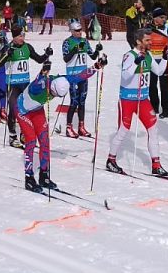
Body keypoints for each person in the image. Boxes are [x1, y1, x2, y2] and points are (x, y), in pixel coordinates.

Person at [18, 57, 105, 191]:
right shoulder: (41, 85)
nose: (54, 96)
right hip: (23, 111)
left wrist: (96, 66)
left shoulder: (63, 81)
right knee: (30, 140)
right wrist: (42, 72)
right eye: (53, 94)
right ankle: (29, 178)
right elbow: (36, 83)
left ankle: (44, 175)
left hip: (37, 110)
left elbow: (80, 76)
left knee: (45, 141)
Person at [105, 28, 168, 178]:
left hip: (143, 100)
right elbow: (125, 76)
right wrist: (136, 62)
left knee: (153, 129)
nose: (150, 42)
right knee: (123, 130)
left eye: (150, 40)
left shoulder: (148, 55)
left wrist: (165, 57)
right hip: (128, 99)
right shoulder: (129, 55)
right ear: (138, 41)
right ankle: (111, 160)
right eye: (147, 40)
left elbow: (159, 71)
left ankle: (156, 165)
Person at [0, 24, 51, 149]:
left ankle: (23, 134)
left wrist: (47, 54)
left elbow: (39, 59)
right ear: (14, 37)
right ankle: (12, 136)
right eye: (20, 36)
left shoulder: (27, 47)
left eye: (23, 35)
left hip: (25, 84)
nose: (22, 38)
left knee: (26, 110)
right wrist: (6, 55)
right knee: (14, 111)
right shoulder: (8, 47)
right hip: (13, 85)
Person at [61, 19, 102, 137]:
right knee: (74, 101)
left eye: (80, 30)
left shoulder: (85, 41)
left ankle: (81, 127)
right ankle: (69, 127)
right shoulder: (67, 42)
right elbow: (66, 58)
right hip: (73, 76)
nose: (80, 33)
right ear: (72, 31)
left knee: (82, 102)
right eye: (77, 31)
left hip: (84, 75)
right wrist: (75, 49)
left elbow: (93, 56)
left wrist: (97, 50)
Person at [145, 7, 168, 119]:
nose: (164, 19)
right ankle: (154, 107)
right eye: (161, 17)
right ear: (155, 18)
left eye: (165, 17)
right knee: (152, 85)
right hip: (151, 60)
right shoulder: (147, 28)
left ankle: (166, 109)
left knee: (165, 86)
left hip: (163, 60)